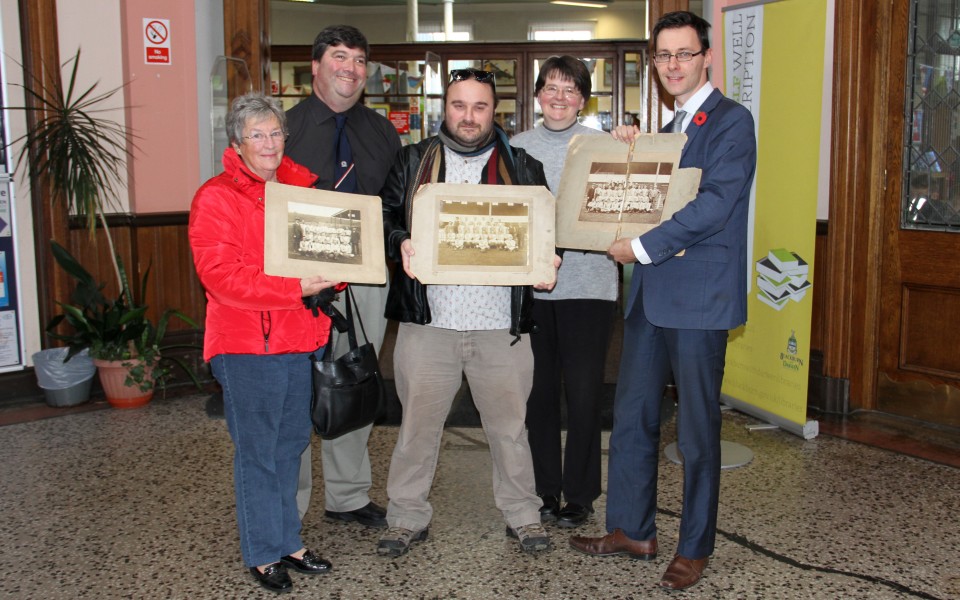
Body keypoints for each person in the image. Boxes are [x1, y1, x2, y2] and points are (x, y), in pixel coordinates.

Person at [568, 11, 757, 592]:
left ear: (706, 57)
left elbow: (715, 204)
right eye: (663, 56)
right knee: (631, 419)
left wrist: (642, 247)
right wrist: (627, 148)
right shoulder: (666, 125)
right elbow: (642, 191)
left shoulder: (731, 121)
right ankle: (632, 529)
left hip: (697, 300)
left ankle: (694, 547)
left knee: (697, 433)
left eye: (683, 53)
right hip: (650, 299)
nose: (672, 64)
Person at [376, 68, 559, 557]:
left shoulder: (522, 165)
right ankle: (406, 517)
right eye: (460, 105)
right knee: (416, 428)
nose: (469, 116)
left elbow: (544, 231)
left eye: (480, 107)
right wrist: (402, 241)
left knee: (510, 430)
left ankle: (523, 514)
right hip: (428, 324)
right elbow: (385, 218)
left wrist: (548, 260)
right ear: (446, 108)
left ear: (492, 111)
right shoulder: (412, 160)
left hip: (501, 327)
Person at [189, 93, 340, 594]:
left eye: (275, 132)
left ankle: (289, 541)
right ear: (237, 143)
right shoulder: (216, 197)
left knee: (291, 445)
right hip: (245, 345)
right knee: (257, 451)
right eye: (257, 134)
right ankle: (261, 551)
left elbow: (328, 255)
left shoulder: (303, 188)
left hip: (299, 339)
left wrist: (337, 274)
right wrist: (295, 287)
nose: (269, 143)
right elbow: (221, 278)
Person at [284, 24, 402, 530]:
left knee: (355, 377)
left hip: (367, 281)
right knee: (294, 388)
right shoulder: (282, 128)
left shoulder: (381, 132)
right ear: (315, 66)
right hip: (297, 281)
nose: (350, 68)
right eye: (339, 56)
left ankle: (349, 495)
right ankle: (287, 506)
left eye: (358, 59)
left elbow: (397, 205)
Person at [510, 56, 617, 529]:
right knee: (538, 395)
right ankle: (544, 488)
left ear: (583, 99)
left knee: (584, 392)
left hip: (589, 288)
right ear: (537, 95)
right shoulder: (513, 146)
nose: (559, 97)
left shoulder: (605, 146)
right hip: (531, 291)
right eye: (551, 88)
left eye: (570, 90)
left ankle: (580, 492)